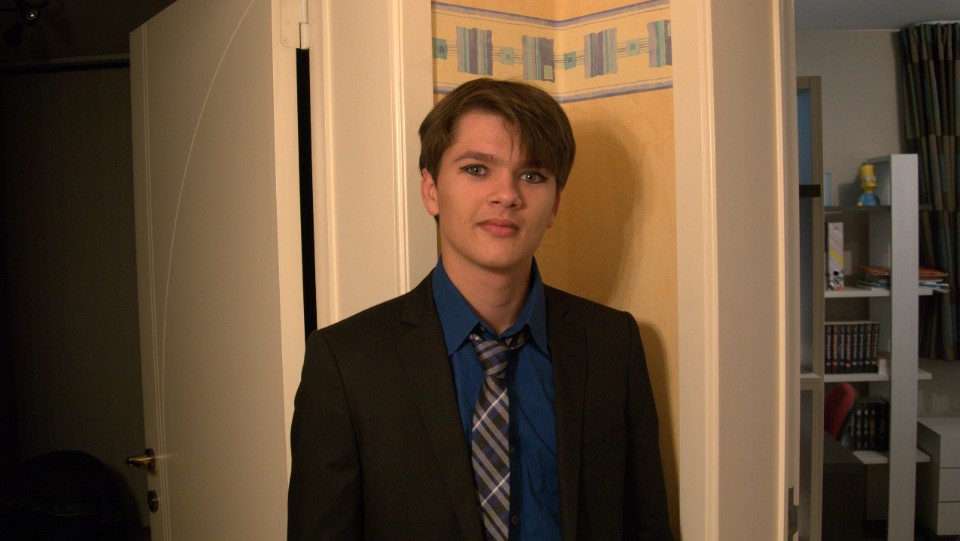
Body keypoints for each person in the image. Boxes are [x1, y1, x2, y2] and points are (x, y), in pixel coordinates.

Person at [288, 77, 673, 541]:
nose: (506, 194)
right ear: (431, 190)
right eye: (476, 169)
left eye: (532, 176)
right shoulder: (347, 362)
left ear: (553, 205)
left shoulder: (612, 343)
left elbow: (645, 524)